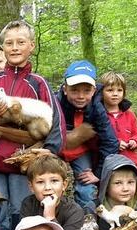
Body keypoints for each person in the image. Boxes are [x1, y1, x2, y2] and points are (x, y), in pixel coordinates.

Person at [0, 20, 64, 230]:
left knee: (22, 213)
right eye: (9, 43)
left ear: (32, 45)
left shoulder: (38, 83)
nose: (15, 47)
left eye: (21, 42)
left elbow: (56, 120)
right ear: (3, 47)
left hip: (24, 165)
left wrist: (51, 149)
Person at [57, 60, 119, 213]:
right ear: (65, 89)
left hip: (81, 151)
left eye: (86, 91)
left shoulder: (97, 107)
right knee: (49, 182)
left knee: (86, 187)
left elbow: (110, 141)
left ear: (93, 90)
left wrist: (97, 173)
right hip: (56, 147)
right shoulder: (55, 103)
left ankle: (87, 223)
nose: (80, 96)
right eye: (74, 90)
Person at [20, 155, 84, 230]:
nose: (47, 187)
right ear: (31, 187)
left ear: (64, 185)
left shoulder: (74, 211)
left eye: (54, 181)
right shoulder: (28, 204)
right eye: (40, 182)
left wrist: (50, 217)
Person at [99, 71, 137, 171]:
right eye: (110, 90)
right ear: (101, 92)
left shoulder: (129, 114)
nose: (115, 94)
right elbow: (95, 140)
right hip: (108, 165)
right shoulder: (99, 115)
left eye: (119, 90)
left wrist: (135, 141)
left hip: (131, 163)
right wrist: (115, 143)